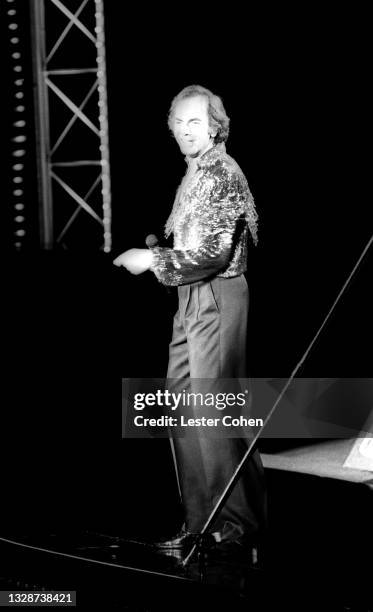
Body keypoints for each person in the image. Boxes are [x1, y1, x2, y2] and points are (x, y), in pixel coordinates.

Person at [114, 85, 266, 555]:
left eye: (194, 121)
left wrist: (150, 259)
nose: (184, 130)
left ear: (216, 125)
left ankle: (237, 532)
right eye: (178, 122)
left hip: (216, 295)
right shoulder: (195, 173)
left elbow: (213, 255)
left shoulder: (220, 172)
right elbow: (193, 243)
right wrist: (162, 247)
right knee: (183, 406)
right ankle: (202, 525)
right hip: (190, 297)